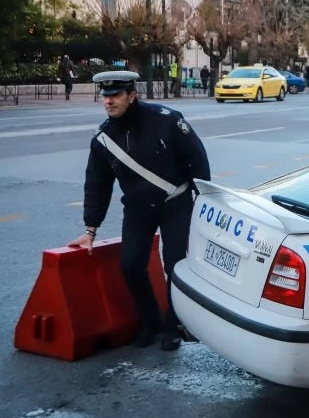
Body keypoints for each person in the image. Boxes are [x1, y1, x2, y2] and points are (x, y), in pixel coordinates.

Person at [68, 71, 211, 351]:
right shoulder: (103, 139)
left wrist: (203, 199)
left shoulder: (166, 120)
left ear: (132, 96)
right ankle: (149, 322)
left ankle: (173, 325)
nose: (108, 102)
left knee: (175, 266)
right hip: (137, 209)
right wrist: (90, 228)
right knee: (130, 265)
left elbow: (197, 158)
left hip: (175, 204)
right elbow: (97, 184)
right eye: (105, 96)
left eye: (115, 95)